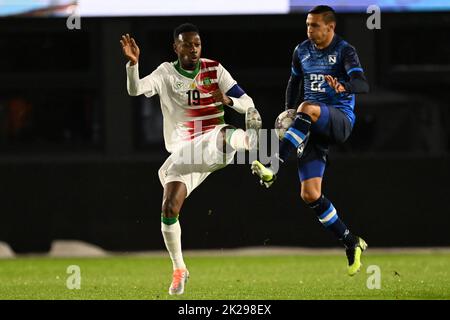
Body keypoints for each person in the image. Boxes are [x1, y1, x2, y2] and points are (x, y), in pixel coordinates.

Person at [120, 23, 261, 295]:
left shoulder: (214, 69)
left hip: (213, 142)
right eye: (186, 44)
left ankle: (248, 141)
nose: (193, 49)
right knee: (169, 207)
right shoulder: (165, 72)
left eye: (197, 44)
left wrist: (229, 102)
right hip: (185, 154)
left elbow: (248, 103)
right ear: (176, 47)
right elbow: (134, 90)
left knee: (222, 134)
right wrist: (132, 65)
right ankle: (179, 269)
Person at [251, 5, 369, 276]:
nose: (309, 30)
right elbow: (294, 83)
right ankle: (351, 241)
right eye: (307, 24)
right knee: (310, 193)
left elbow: (363, 85)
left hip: (339, 120)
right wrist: (287, 113)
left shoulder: (345, 51)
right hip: (310, 123)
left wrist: (344, 86)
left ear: (331, 27)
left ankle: (275, 164)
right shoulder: (301, 51)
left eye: (315, 25)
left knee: (309, 106)